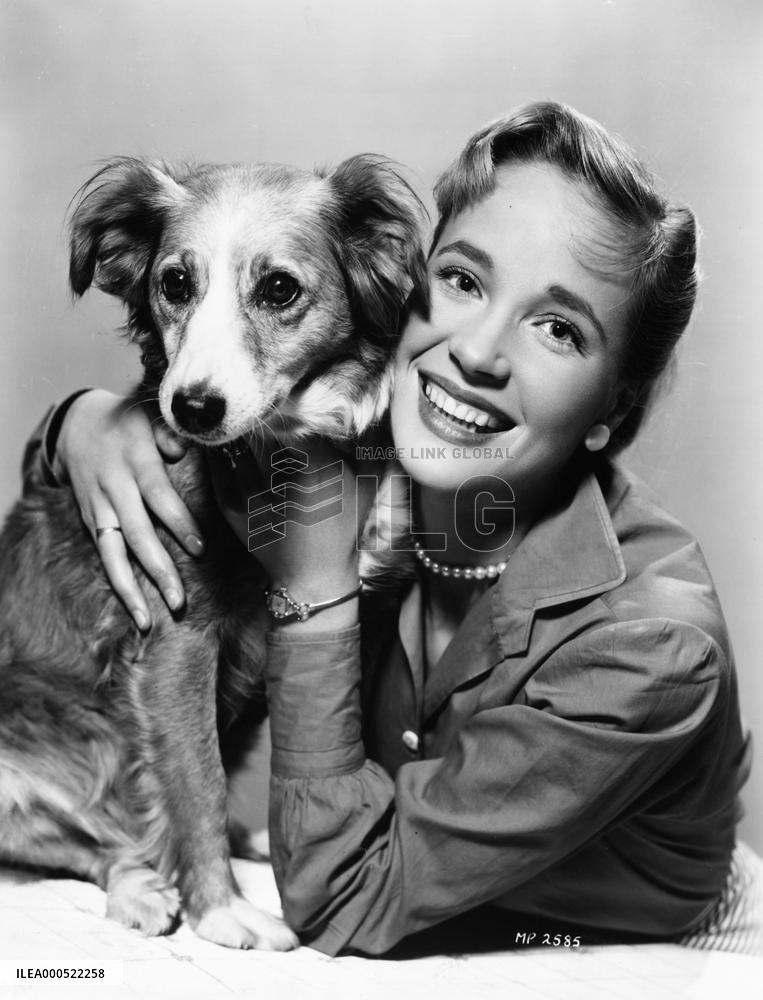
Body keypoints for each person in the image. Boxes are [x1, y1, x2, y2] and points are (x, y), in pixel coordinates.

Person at [23, 102, 760, 956]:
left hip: (595, 940)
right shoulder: (377, 461)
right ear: (403, 284)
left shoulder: (648, 650)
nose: (479, 351)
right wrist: (82, 424)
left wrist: (314, 592)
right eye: (462, 280)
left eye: (558, 329)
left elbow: (348, 897)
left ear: (613, 404)